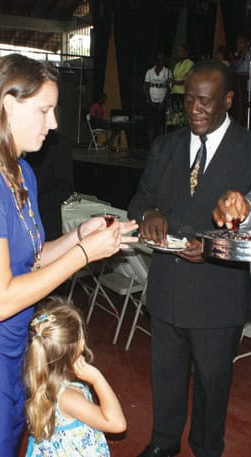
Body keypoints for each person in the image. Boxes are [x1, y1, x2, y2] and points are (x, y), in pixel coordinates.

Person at [0, 53, 138, 457]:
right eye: (45, 110)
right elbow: (0, 299)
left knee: (4, 440)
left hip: (7, 336)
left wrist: (77, 237)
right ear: (7, 104)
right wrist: (85, 255)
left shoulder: (21, 170)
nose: (53, 124)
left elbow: (31, 259)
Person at [128, 59, 251, 457]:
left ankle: (205, 448)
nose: (194, 110)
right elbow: (141, 199)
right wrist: (149, 215)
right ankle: (163, 444)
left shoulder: (247, 151)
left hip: (218, 296)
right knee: (165, 378)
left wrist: (215, 247)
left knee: (213, 386)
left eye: (205, 102)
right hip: (167, 290)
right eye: (188, 101)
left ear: (228, 100)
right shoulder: (166, 147)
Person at [24, 297, 126, 457]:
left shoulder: (40, 374)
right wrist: (97, 379)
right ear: (80, 343)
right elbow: (117, 424)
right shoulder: (69, 397)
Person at [143, 52, 172, 145]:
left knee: (160, 124)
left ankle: (160, 144)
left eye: (162, 60)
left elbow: (169, 88)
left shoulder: (167, 72)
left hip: (162, 100)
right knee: (151, 123)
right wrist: (148, 100)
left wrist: (164, 102)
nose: (160, 62)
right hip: (151, 100)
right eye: (158, 60)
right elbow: (146, 86)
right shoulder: (149, 72)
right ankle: (150, 143)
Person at [166, 44, 194, 129]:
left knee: (183, 118)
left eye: (181, 51)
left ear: (186, 53)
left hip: (184, 93)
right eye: (178, 51)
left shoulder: (189, 63)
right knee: (175, 119)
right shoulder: (177, 65)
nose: (179, 53)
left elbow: (187, 79)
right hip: (175, 93)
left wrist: (175, 82)